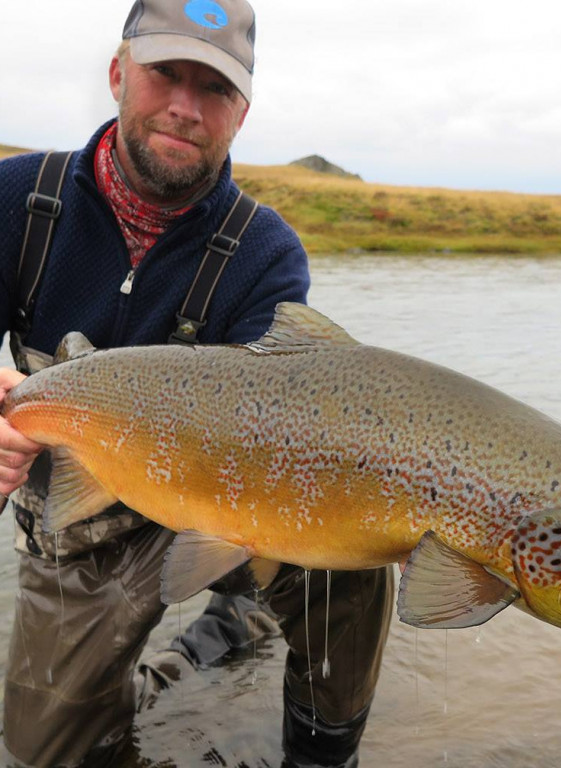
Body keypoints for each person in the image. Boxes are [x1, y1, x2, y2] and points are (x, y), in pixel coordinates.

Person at [0, 1, 393, 766]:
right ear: (118, 75)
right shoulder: (16, 201)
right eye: (164, 75)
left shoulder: (266, 252)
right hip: (79, 524)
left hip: (209, 496)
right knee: (46, 752)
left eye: (213, 88)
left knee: (355, 564)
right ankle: (216, 639)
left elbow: (282, 428)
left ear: (240, 113)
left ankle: (321, 752)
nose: (184, 107)